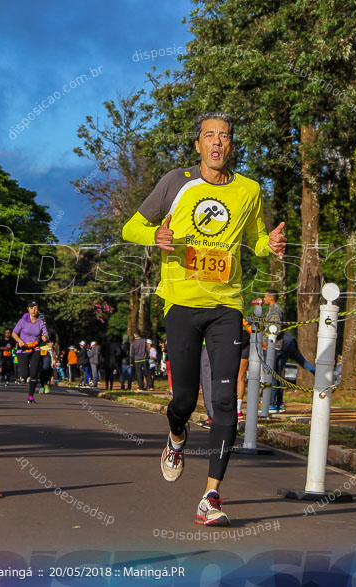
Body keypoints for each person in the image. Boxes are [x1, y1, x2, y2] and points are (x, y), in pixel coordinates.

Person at [121, 111, 285, 526]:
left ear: (231, 146)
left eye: (224, 136)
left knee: (226, 400)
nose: (217, 142)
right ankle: (176, 437)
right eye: (209, 136)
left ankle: (211, 495)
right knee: (184, 399)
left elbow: (256, 241)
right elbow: (131, 228)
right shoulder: (176, 182)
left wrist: (272, 244)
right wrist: (153, 235)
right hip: (180, 302)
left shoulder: (249, 190)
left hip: (227, 306)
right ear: (197, 145)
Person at [11, 300, 50, 404]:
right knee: (24, 374)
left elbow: (45, 335)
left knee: (34, 374)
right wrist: (19, 341)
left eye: (36, 308)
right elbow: (14, 333)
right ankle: (23, 376)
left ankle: (31, 396)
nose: (34, 310)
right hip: (23, 349)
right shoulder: (22, 321)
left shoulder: (40, 322)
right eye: (32, 308)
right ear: (28, 309)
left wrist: (44, 337)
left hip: (35, 349)